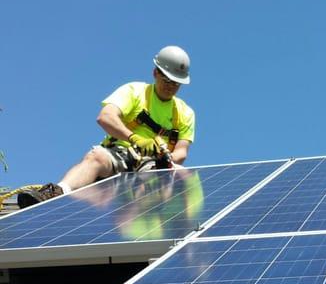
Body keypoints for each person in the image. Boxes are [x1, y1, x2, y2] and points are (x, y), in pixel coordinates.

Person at [17, 46, 196, 209]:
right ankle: (57, 193)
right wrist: (134, 138)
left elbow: (182, 151)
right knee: (97, 157)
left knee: (182, 176)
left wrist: (163, 157)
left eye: (176, 83)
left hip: (153, 165)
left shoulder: (184, 113)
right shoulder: (134, 91)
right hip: (120, 153)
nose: (171, 86)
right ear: (155, 72)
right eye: (167, 80)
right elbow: (106, 117)